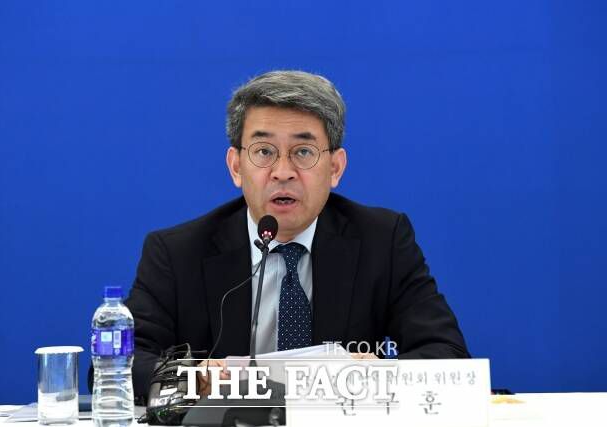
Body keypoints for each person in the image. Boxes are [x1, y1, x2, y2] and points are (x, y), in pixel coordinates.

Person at [98, 70, 469, 399]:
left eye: (303, 152)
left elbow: (448, 355)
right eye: (264, 152)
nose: (282, 172)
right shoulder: (177, 253)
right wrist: (194, 378)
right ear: (236, 166)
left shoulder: (382, 241)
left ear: (335, 168)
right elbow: (120, 365)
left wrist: (379, 375)